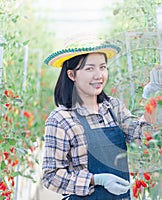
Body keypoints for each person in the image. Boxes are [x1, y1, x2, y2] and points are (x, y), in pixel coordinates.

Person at [42, 36, 155, 199]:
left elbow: (142, 136)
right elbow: (50, 177)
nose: (99, 75)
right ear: (72, 75)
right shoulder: (61, 119)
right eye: (89, 69)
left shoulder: (113, 108)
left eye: (102, 67)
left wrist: (154, 98)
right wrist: (96, 180)